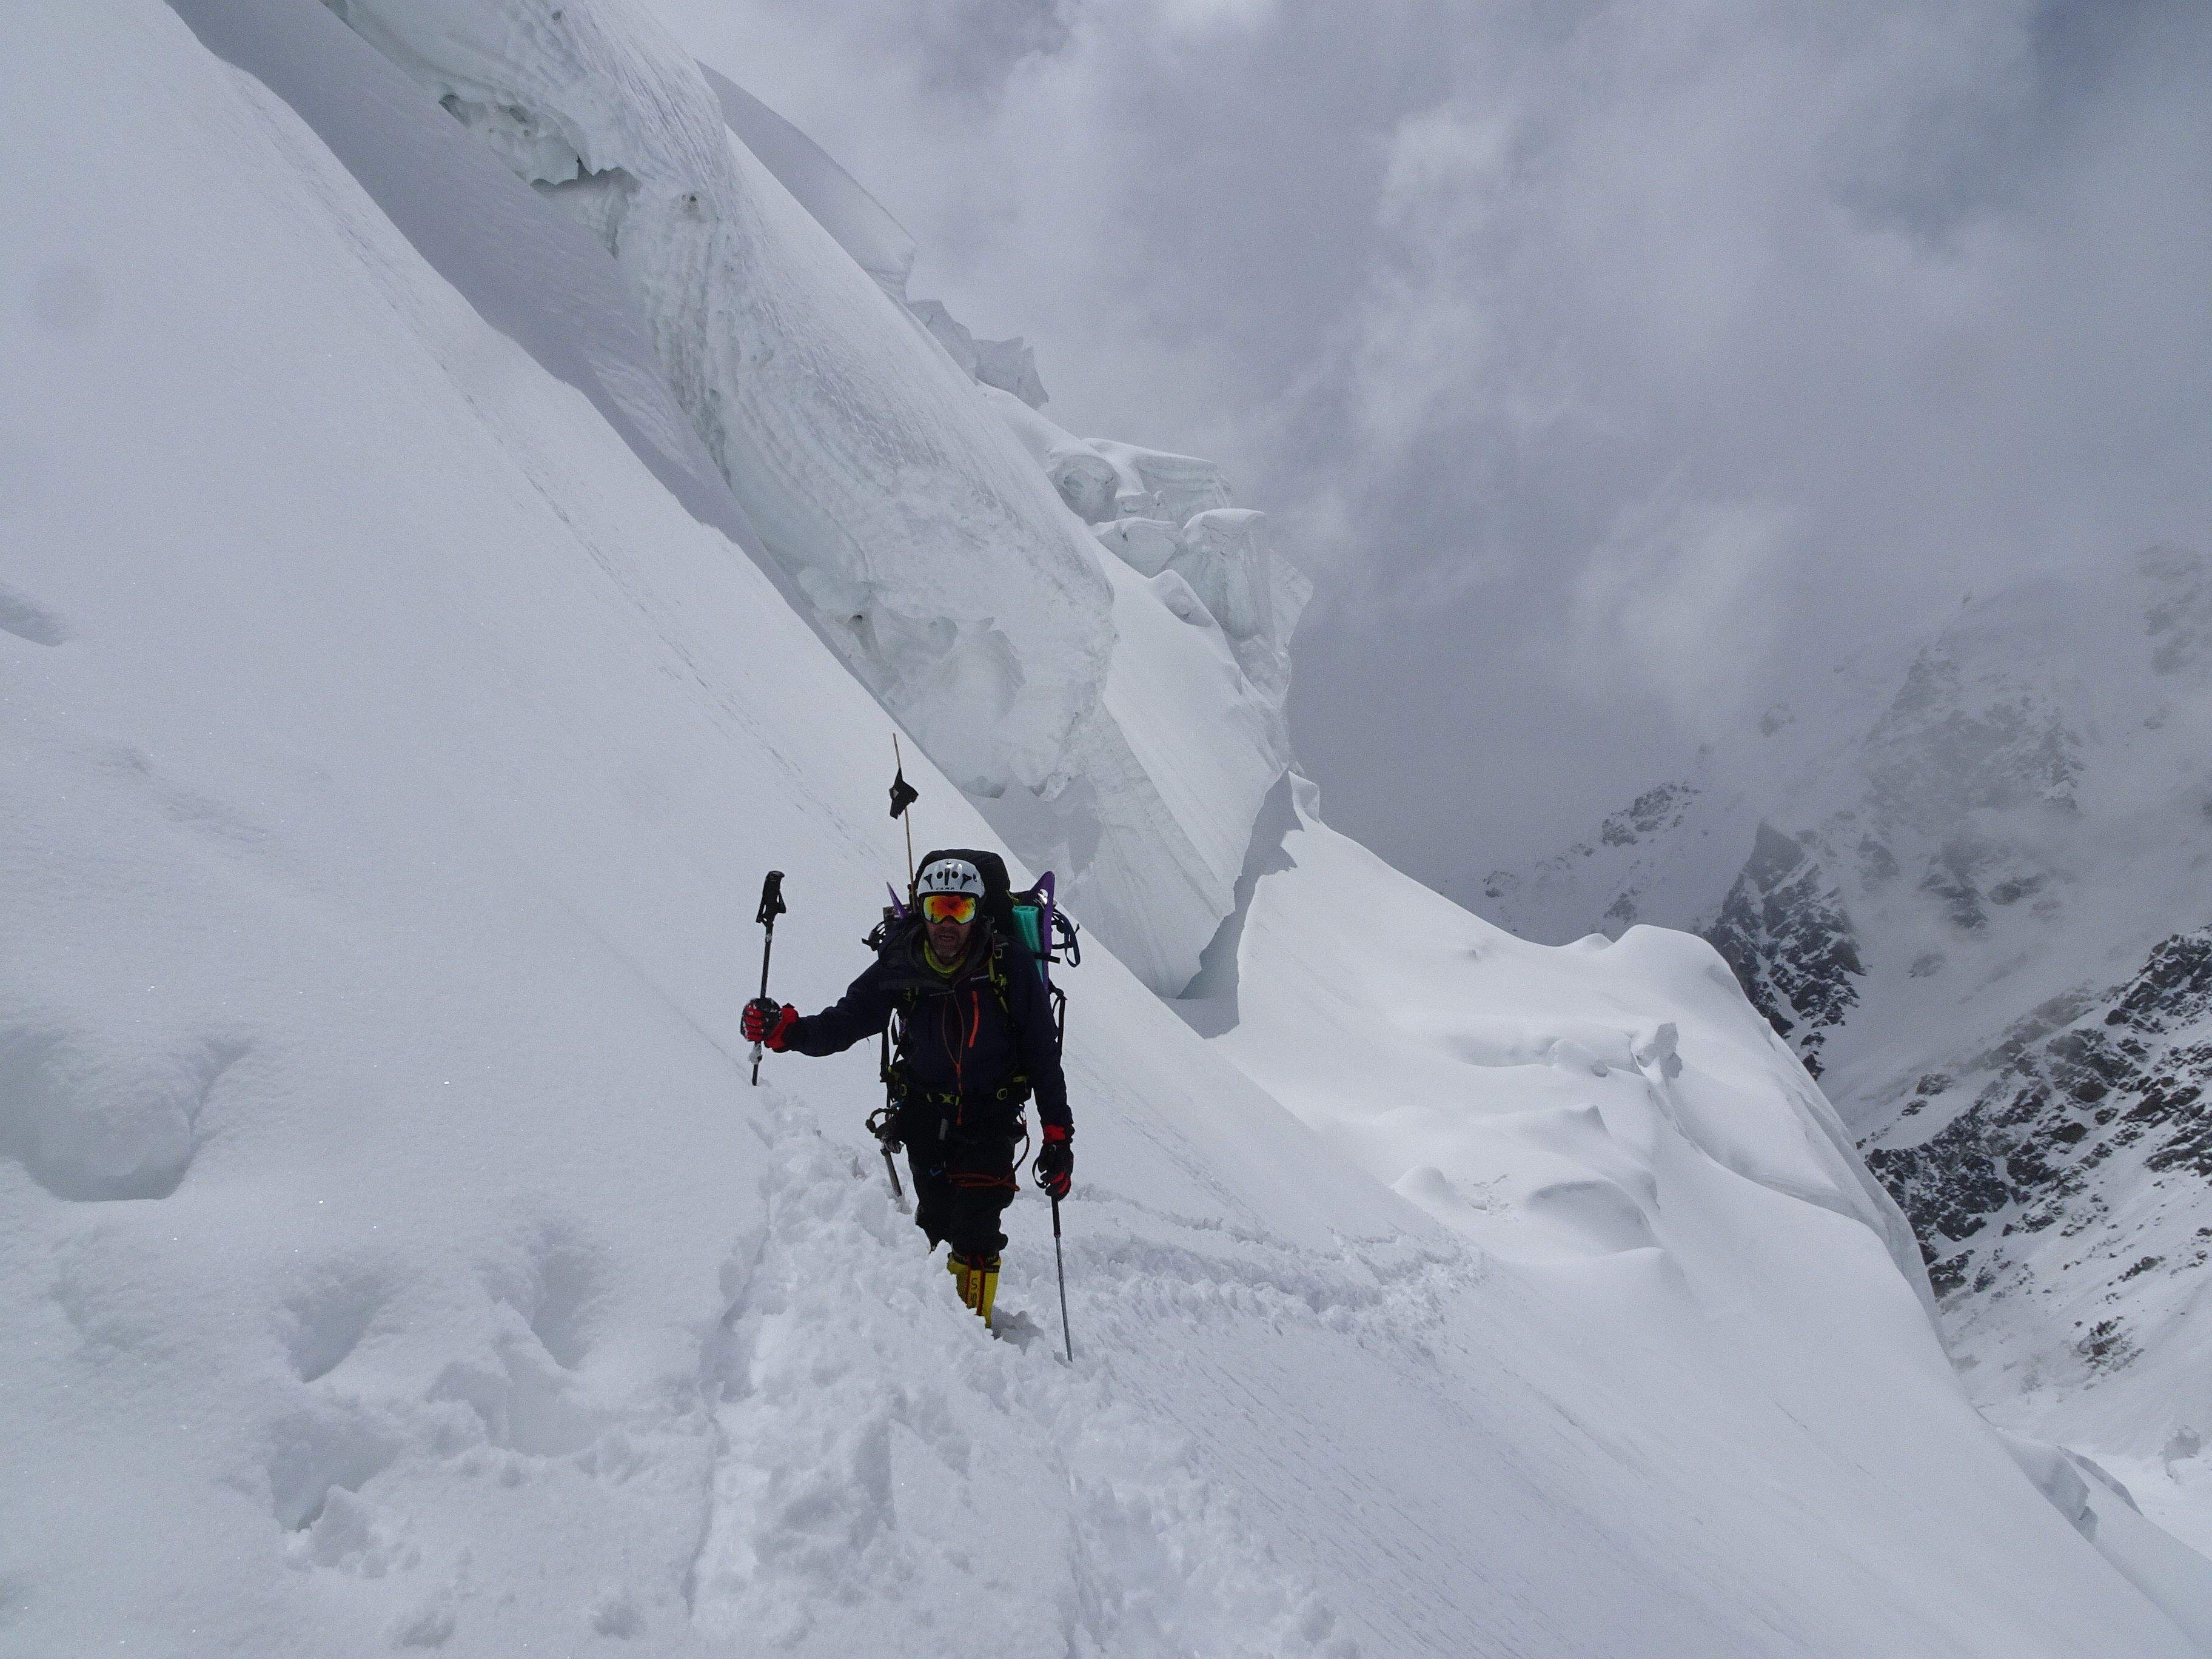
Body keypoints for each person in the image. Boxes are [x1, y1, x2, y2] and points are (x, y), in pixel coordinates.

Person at [742, 855, 1073, 1327]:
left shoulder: (1009, 966)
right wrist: (787, 1033)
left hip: (990, 1120)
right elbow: (847, 1021)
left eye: (959, 910)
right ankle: (939, 1338)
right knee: (934, 1228)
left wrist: (1058, 1135)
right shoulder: (901, 966)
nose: (947, 923)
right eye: (938, 908)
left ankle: (972, 1343)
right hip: (923, 1119)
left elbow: (1043, 1054)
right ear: (922, 910)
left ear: (977, 913)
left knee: (976, 1236)